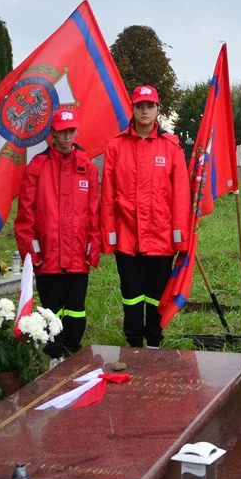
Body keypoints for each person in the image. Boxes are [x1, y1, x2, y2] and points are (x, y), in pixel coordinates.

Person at [102, 85, 190, 348]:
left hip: (160, 236)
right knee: (131, 293)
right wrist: (110, 236)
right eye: (140, 106)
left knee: (155, 295)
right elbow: (107, 195)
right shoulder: (116, 146)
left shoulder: (171, 148)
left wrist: (179, 238)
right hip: (127, 236)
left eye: (149, 106)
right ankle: (133, 344)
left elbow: (181, 196)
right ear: (133, 108)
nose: (144, 111)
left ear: (157, 110)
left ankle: (153, 342)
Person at [14, 109, 101, 359]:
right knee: (51, 310)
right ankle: (53, 355)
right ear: (52, 133)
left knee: (76, 309)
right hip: (48, 256)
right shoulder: (37, 167)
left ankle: (73, 351)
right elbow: (25, 216)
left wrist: (92, 249)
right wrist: (33, 254)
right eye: (62, 131)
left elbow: (94, 212)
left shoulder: (87, 167)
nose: (67, 136)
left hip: (76, 257)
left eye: (71, 131)